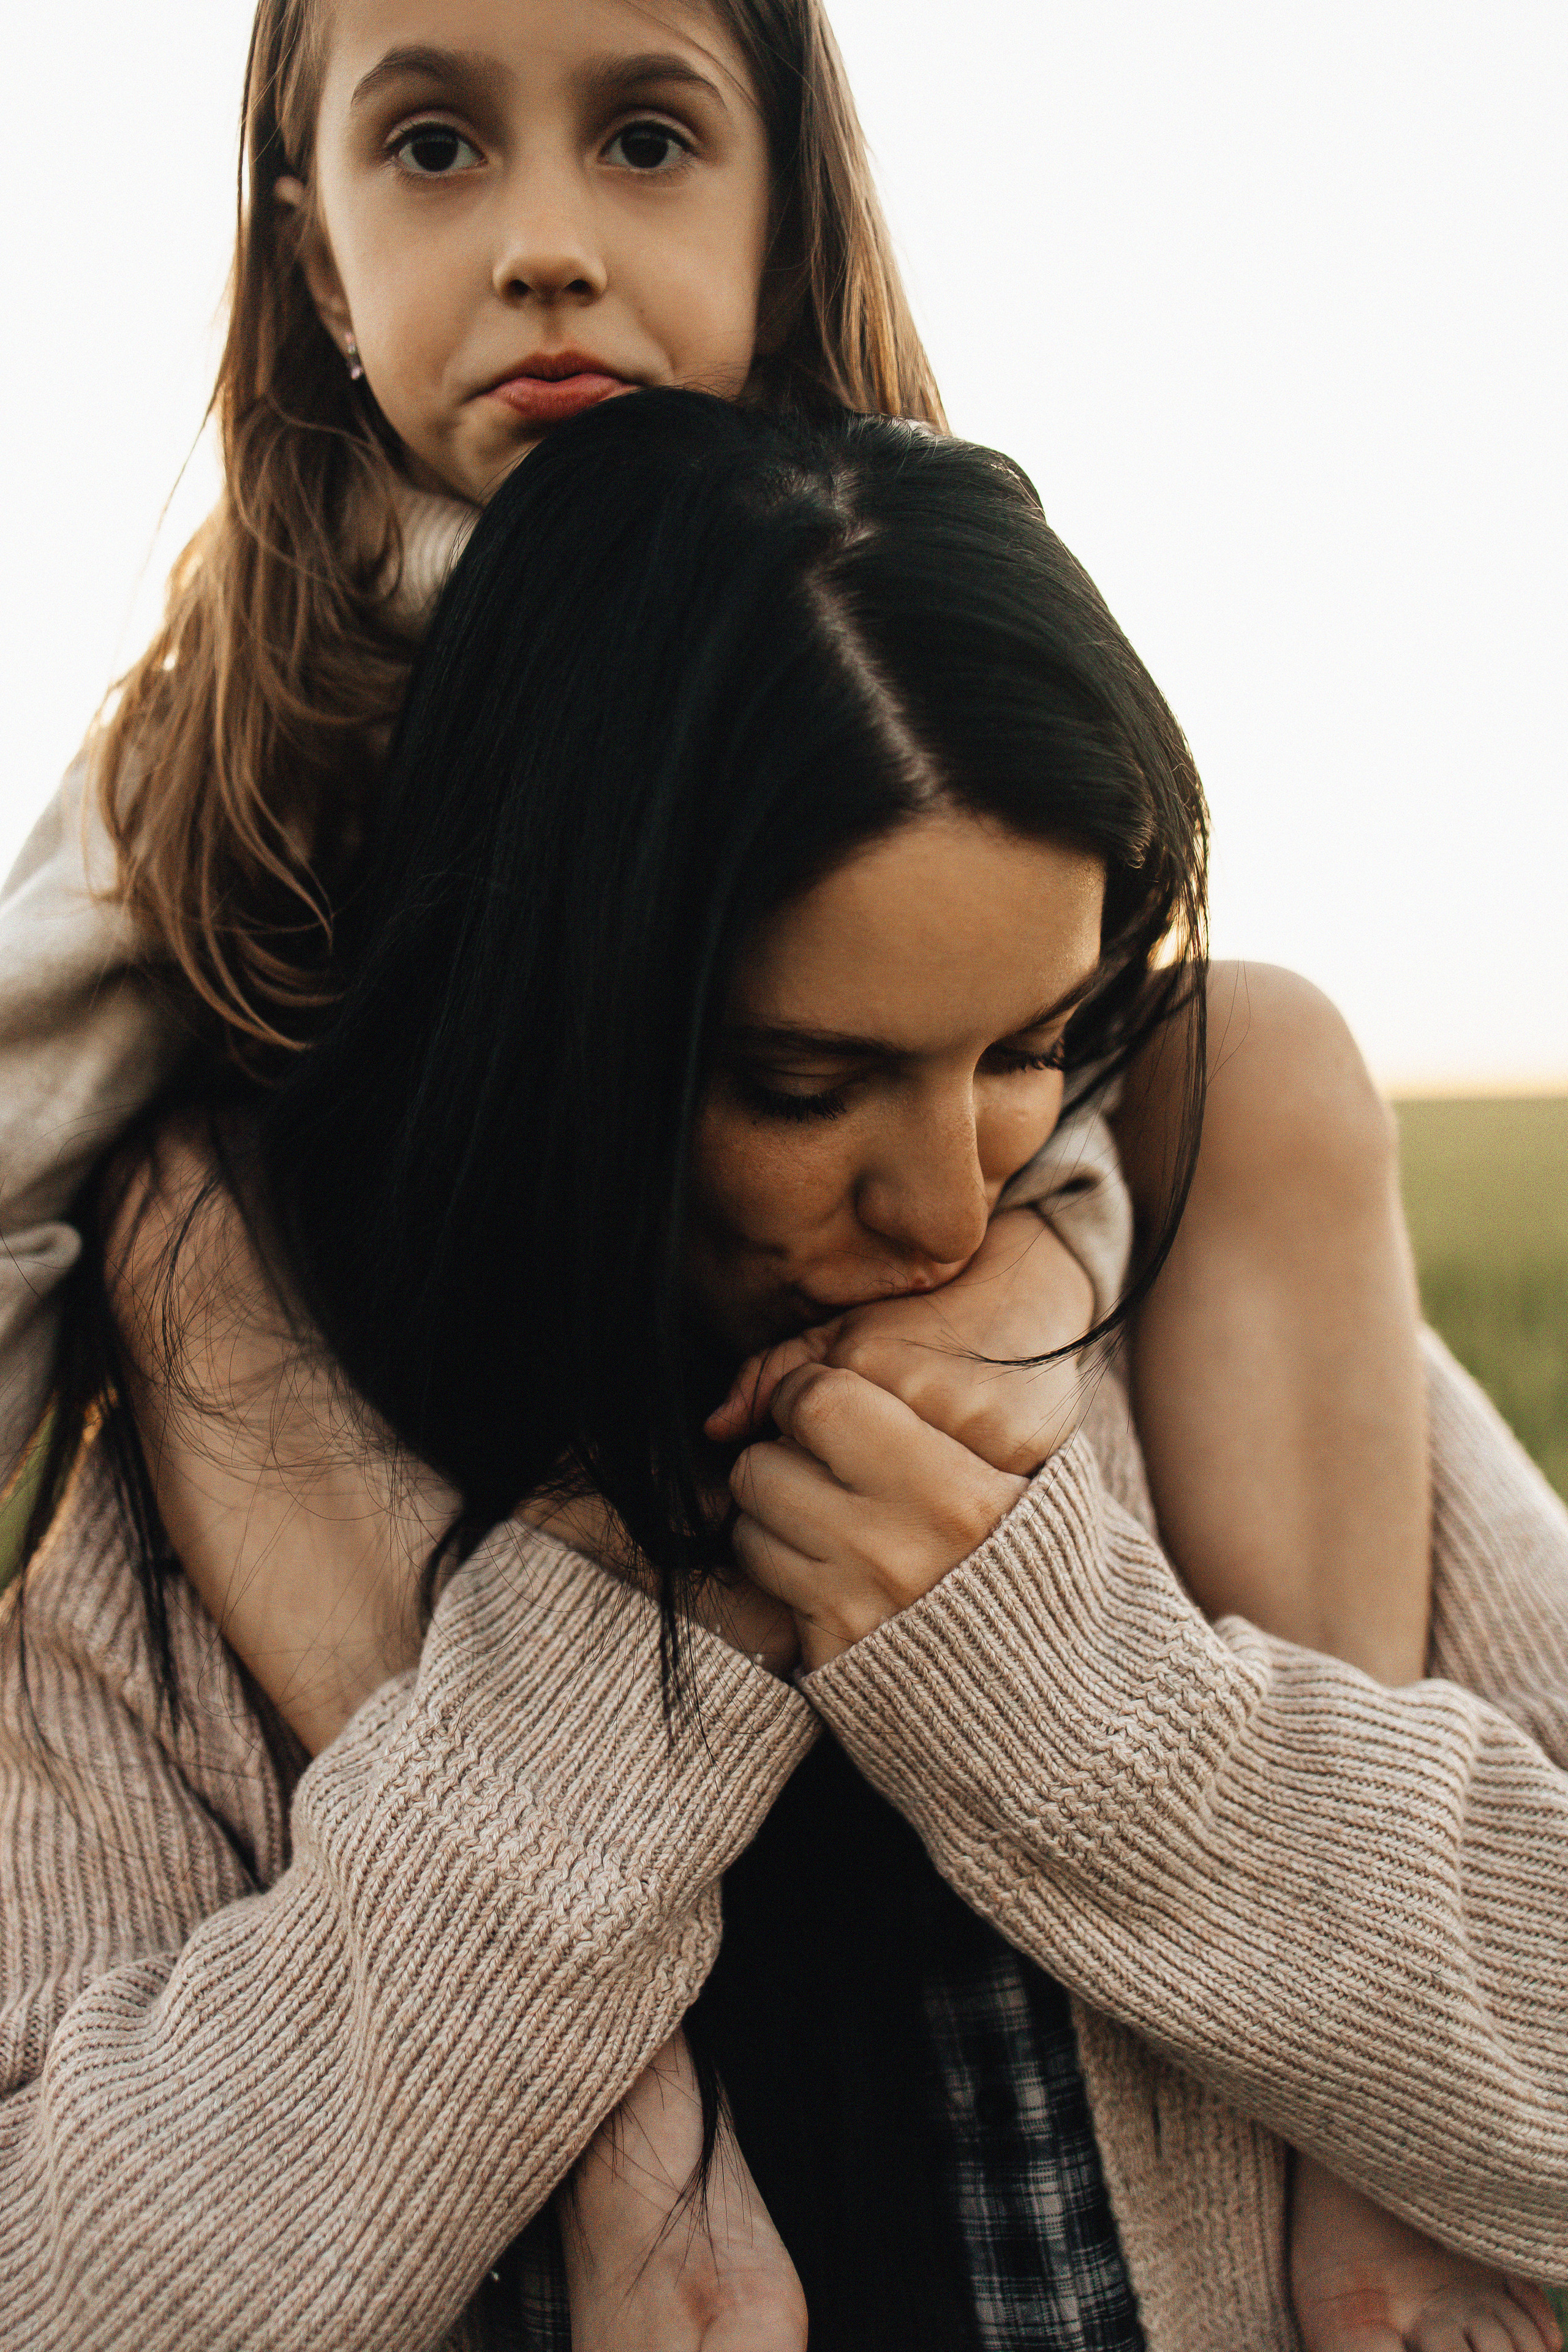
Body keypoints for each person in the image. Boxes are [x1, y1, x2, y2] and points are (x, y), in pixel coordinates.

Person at [4, 393, 1563, 2352]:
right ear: (545, 1023)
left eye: (1031, 1047)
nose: (948, 1204)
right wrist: (585, 1700)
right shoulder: (201, 1511)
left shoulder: (1206, 1349)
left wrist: (1092, 1716)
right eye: (805, 1086)